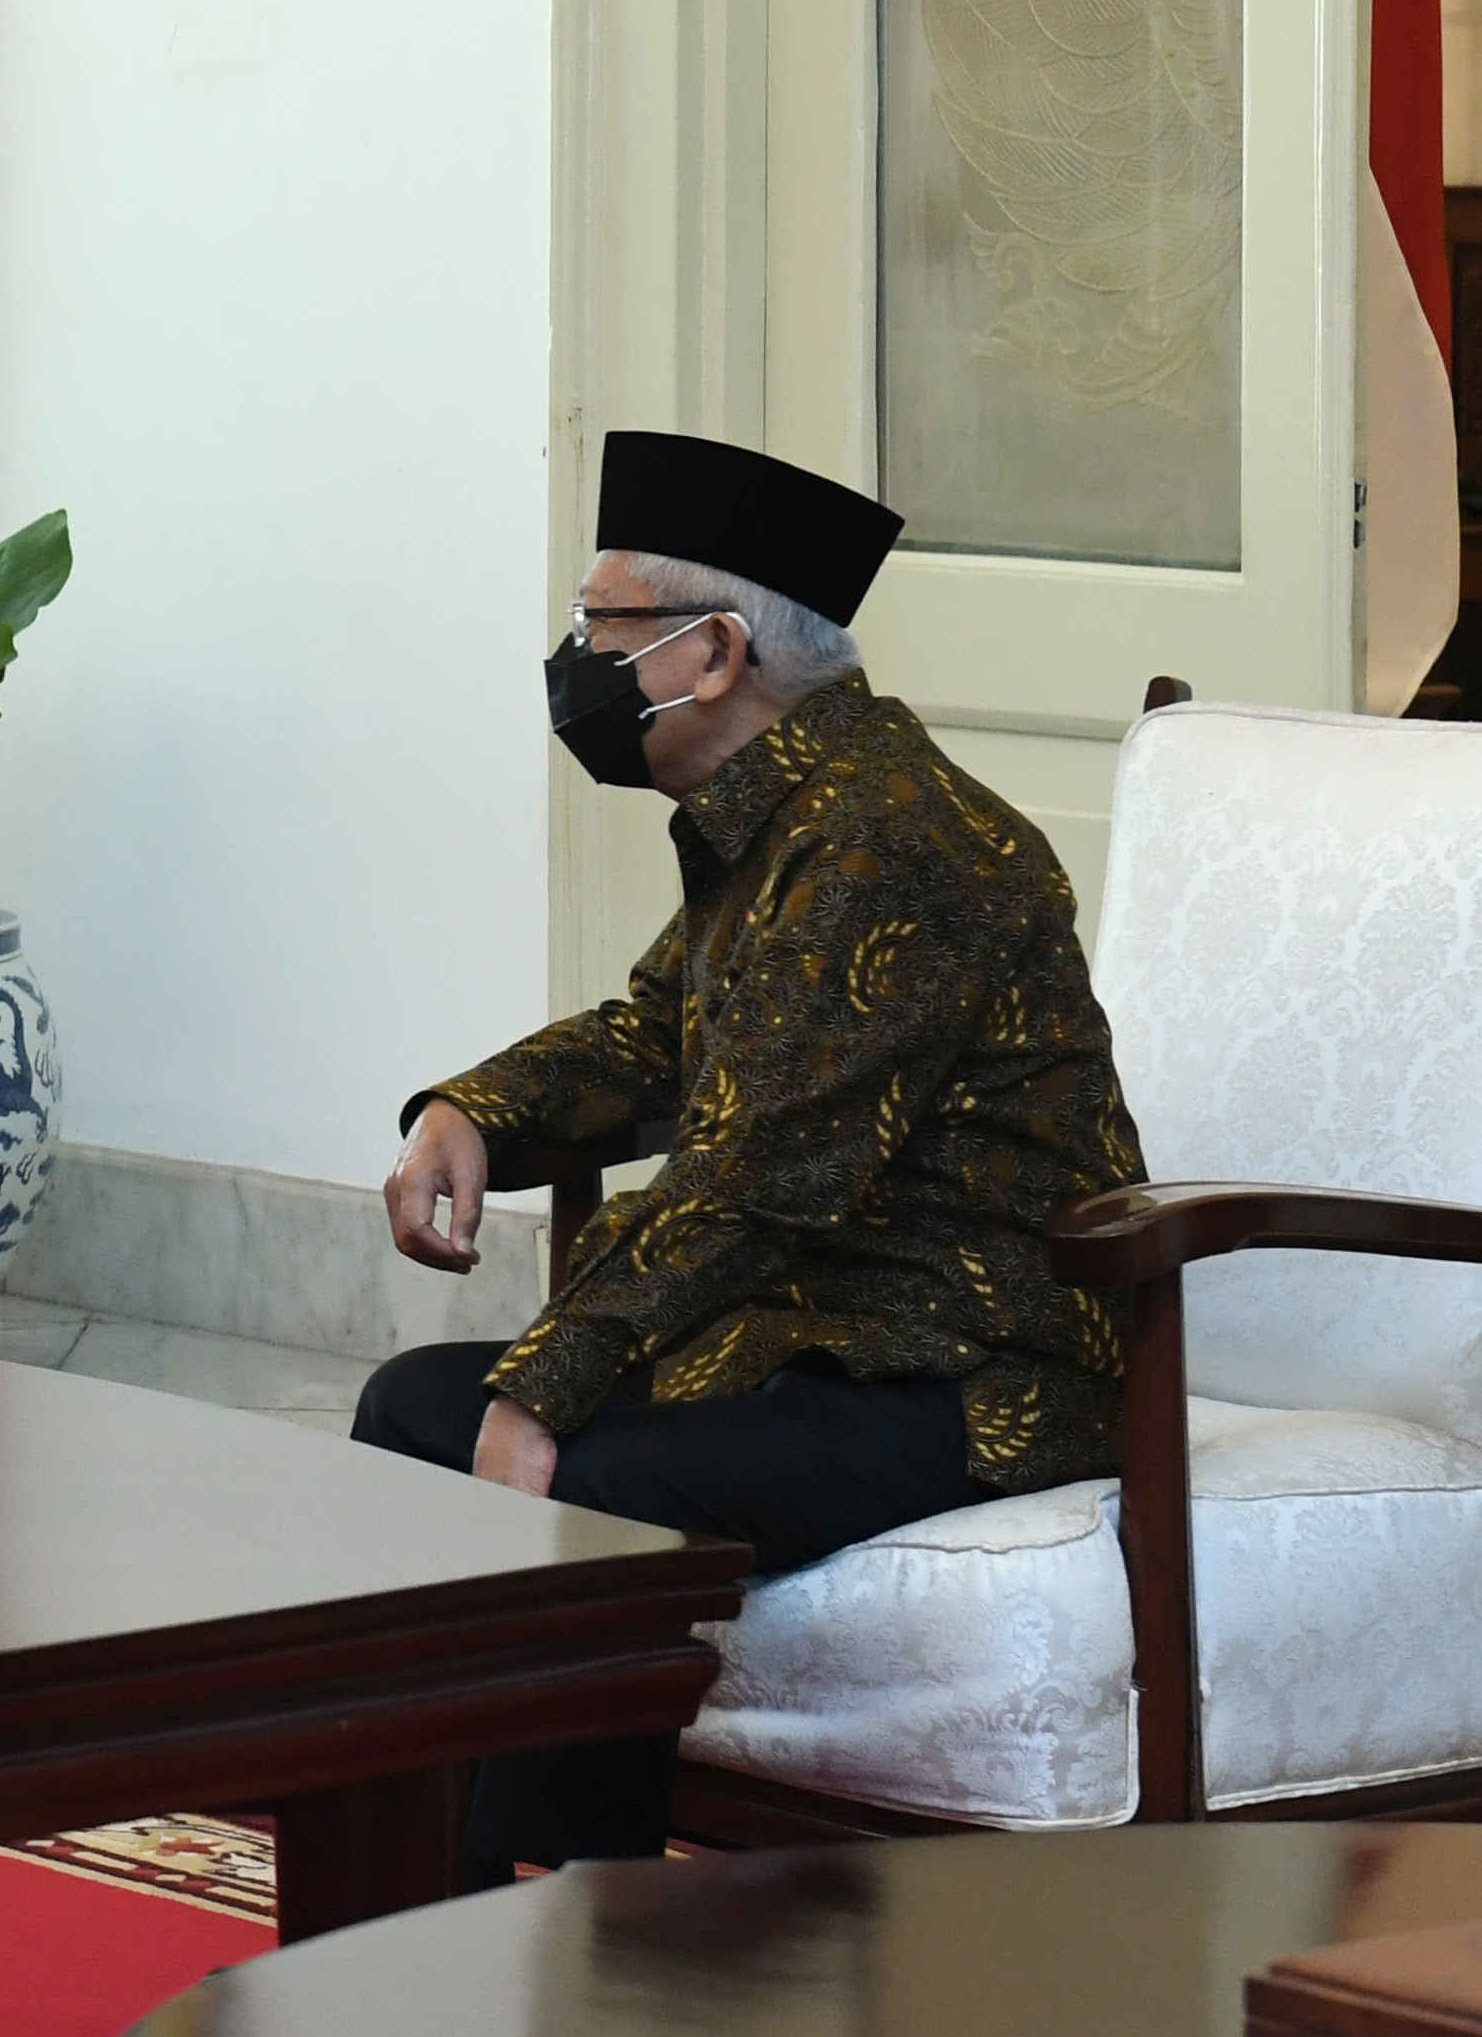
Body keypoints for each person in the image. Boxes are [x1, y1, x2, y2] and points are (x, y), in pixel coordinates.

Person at [356, 430, 1146, 1879]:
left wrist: (543, 1385)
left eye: (601, 628)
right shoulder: (783, 814)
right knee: (410, 1405)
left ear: (711, 654)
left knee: (587, 1480)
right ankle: (433, 1865)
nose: (572, 659)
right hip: (809, 1335)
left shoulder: (888, 840)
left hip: (963, 1365)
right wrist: (470, 1106)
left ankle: (557, 1911)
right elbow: (657, 1032)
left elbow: (755, 1174)